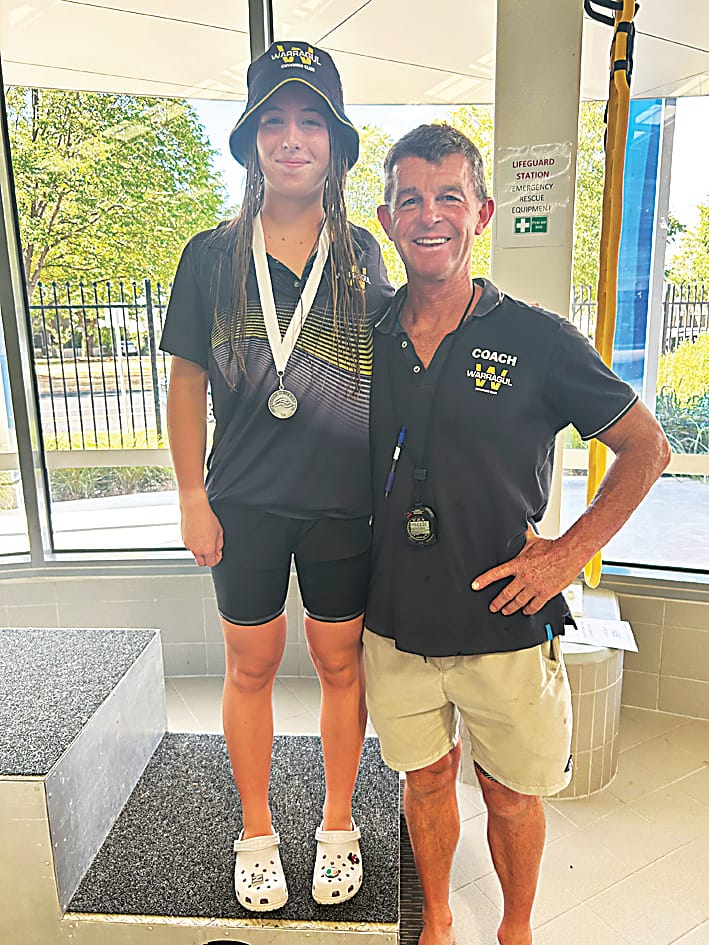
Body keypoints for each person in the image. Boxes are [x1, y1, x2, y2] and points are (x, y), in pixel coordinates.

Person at [363, 123, 670, 945]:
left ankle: (516, 930)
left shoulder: (536, 339)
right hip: (390, 619)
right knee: (424, 783)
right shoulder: (366, 337)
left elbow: (647, 447)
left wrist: (568, 553)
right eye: (410, 200)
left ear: (482, 212)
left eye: (449, 198)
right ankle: (433, 921)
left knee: (508, 792)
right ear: (386, 218)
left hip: (502, 614)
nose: (430, 216)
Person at [160, 41, 392, 912]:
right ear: (252, 137)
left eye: (311, 123)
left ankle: (338, 820)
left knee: (340, 663)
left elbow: (393, 373)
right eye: (275, 121)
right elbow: (185, 382)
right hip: (244, 503)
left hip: (343, 507)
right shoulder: (210, 255)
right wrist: (191, 495)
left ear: (334, 142)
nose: (292, 139)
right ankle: (255, 829)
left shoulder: (364, 253)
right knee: (250, 662)